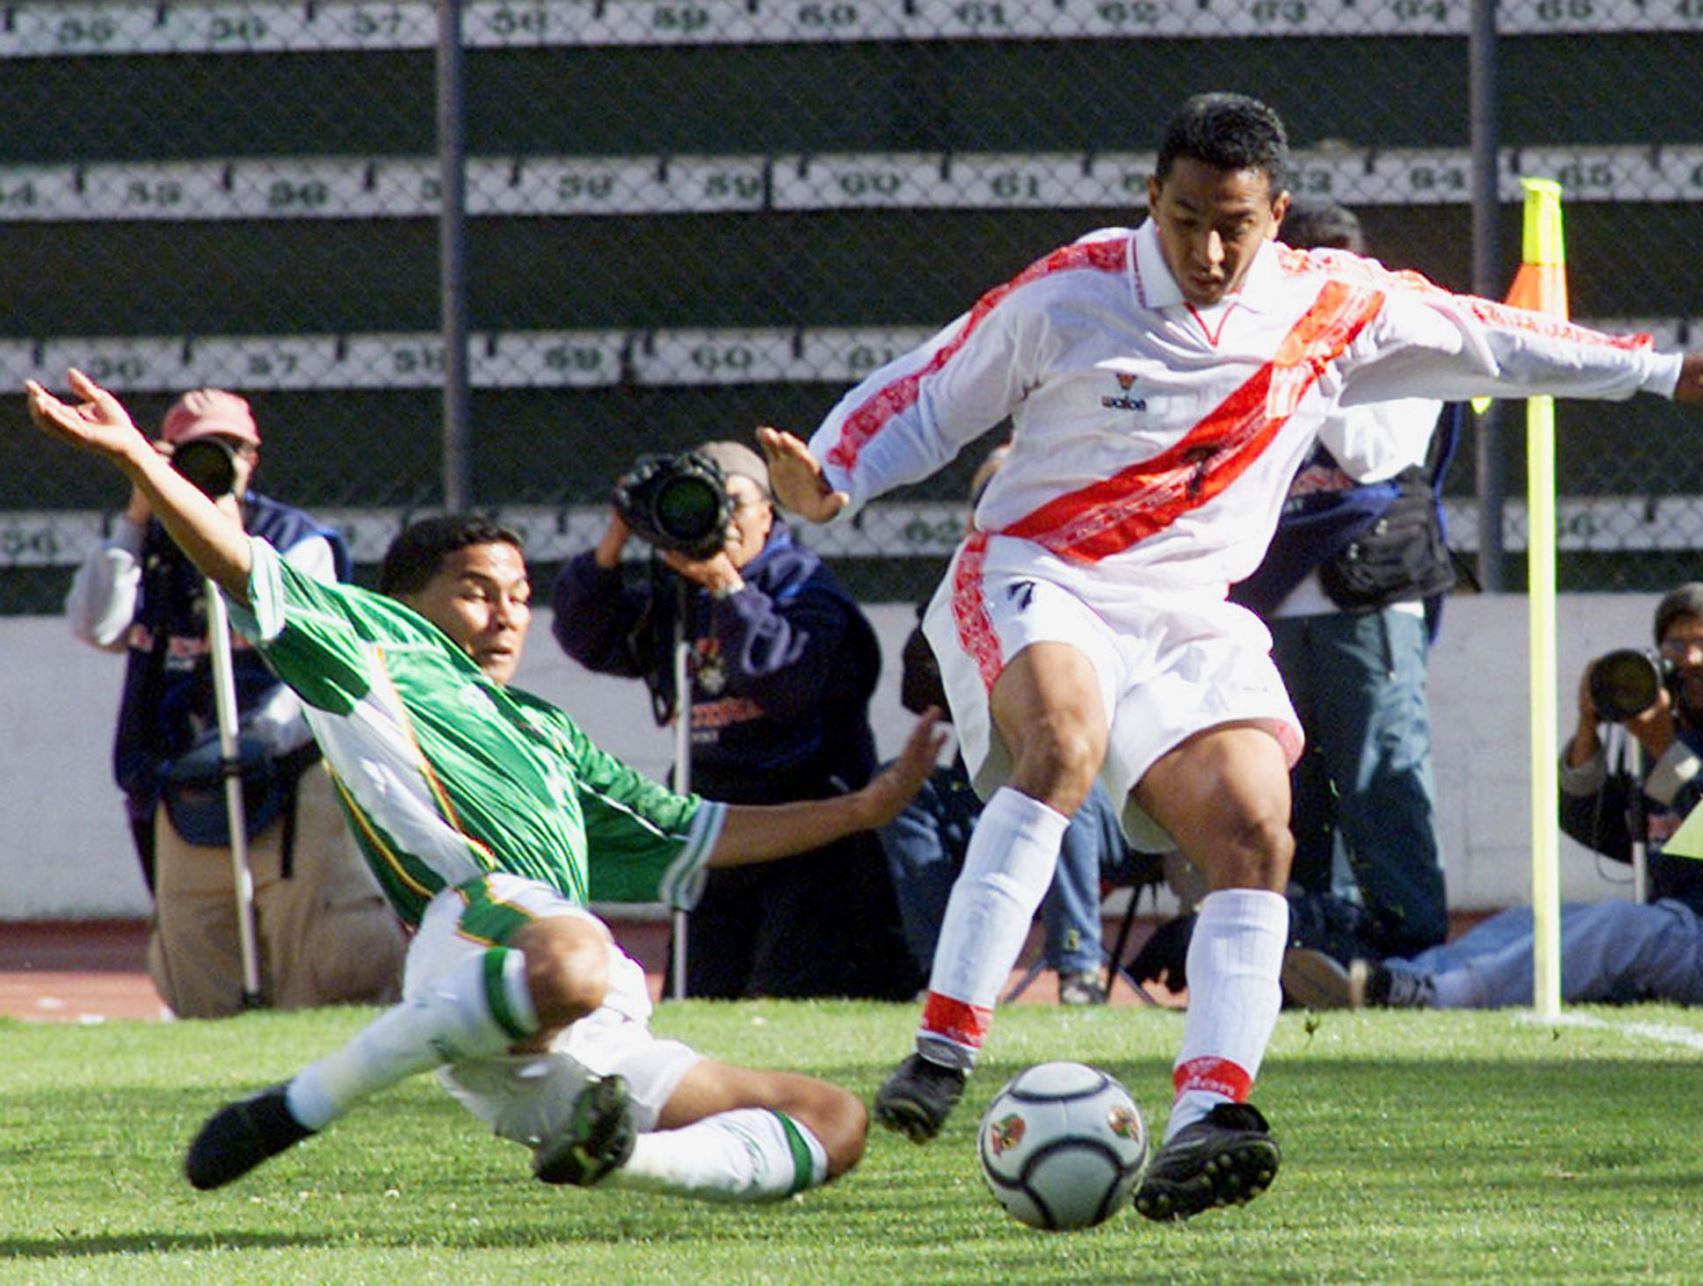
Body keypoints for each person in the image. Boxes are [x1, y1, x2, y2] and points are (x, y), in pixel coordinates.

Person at [754, 90, 1703, 1224]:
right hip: (1039, 573)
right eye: (1183, 215)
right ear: (1151, 197)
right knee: (1065, 744)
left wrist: (1658, 368)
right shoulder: (1072, 290)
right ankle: (943, 1046)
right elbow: (932, 389)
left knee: (1257, 828)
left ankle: (1209, 1115)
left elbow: (1491, 335)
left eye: (1231, 223)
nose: (1204, 247)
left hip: (1188, 609)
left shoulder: (1328, 302)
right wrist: (834, 473)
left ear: (1275, 213)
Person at [25, 371, 945, 1205]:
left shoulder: (547, 733)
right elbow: (239, 563)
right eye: (477, 590)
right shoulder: (372, 649)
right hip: (477, 938)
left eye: (515, 593)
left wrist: (864, 808)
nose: (508, 613)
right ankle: (301, 1103)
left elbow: (687, 832)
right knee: (576, 954)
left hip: (582, 1032)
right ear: (409, 600)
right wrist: (141, 461)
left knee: (833, 1122)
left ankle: (616, 1154)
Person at [1290, 582, 1703, 1010]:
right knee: (1541, 919)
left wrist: (1664, 745)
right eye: (1674, 646)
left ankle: (1442, 995)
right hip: (1691, 931)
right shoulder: (1678, 727)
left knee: (1623, 926)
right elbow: (1599, 830)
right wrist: (1588, 729)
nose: (1687, 660)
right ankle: (1390, 978)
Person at [65, 386, 404, 1018]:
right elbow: (99, 627)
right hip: (173, 772)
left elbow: (305, 653)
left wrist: (257, 740)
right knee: (200, 954)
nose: (217, 465)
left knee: (310, 948)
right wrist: (139, 519)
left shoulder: (293, 539)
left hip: (278, 770)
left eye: (229, 449)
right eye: (194, 452)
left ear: (253, 455)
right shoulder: (149, 544)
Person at [551, 441, 918, 1000]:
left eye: (735, 504)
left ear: (770, 511)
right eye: (705, 504)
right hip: (713, 816)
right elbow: (589, 636)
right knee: (704, 994)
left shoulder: (806, 588)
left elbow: (787, 683)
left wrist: (728, 588)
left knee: (796, 993)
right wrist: (618, 538)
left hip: (808, 817)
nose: (720, 522)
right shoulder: (681, 590)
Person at [1232, 197, 1458, 968]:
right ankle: (1307, 940)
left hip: (1366, 592)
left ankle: (1413, 948)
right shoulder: (1244, 340)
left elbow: (1371, 455)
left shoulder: (1404, 335)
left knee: (1380, 776)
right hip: (1268, 601)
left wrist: (1312, 354)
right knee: (1291, 785)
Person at [880, 446, 1162, 1004]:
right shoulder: (964, 595)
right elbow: (918, 693)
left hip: (1103, 807)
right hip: (985, 796)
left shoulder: (1101, 584)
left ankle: (1078, 965)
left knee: (1060, 771)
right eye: (993, 501)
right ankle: (946, 977)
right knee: (904, 788)